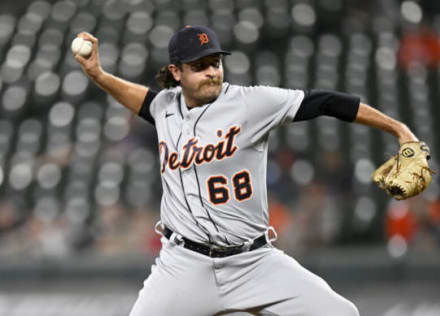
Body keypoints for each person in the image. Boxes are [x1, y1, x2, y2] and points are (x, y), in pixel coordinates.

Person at [74, 25, 419, 316]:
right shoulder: (164, 107)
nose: (212, 71)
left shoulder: (252, 103)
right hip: (183, 266)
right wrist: (98, 75)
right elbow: (141, 100)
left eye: (215, 62)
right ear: (176, 72)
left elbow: (325, 101)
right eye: (200, 66)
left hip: (254, 262)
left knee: (342, 314)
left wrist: (398, 129)